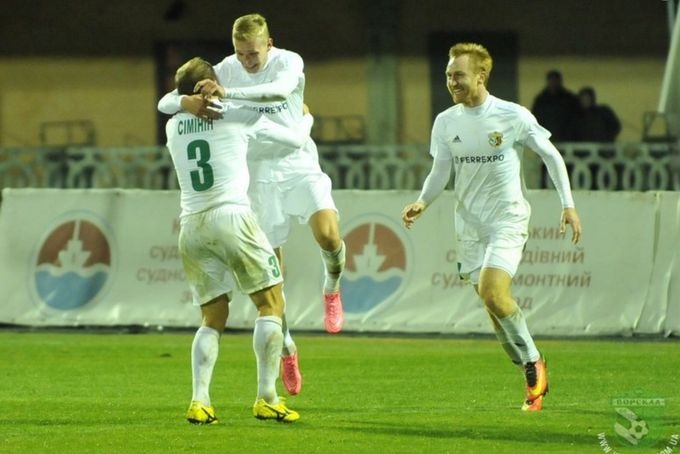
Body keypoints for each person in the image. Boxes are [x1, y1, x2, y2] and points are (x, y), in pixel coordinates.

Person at [159, 13, 347, 396]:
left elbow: (278, 92)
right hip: (258, 175)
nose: (246, 61)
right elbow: (167, 100)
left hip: (298, 165)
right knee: (272, 280)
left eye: (253, 54)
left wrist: (226, 95)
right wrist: (186, 101)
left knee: (329, 236)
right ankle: (287, 349)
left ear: (269, 44)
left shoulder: (288, 62)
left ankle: (332, 286)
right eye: (240, 54)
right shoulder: (226, 70)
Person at [402, 43, 582, 412]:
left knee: (493, 292)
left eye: (459, 75)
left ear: (481, 77)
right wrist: (423, 201)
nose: (452, 81)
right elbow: (440, 170)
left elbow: (551, 156)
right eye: (448, 75)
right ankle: (526, 368)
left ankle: (534, 362)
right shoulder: (445, 122)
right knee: (492, 307)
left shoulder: (511, 115)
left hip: (507, 219)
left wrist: (568, 204)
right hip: (469, 227)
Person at [165, 57, 313, 424]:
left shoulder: (173, 124)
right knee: (271, 303)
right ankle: (267, 397)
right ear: (210, 84)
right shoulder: (235, 115)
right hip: (232, 217)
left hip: (191, 225)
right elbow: (295, 140)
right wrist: (306, 117)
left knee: (212, 316)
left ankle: (200, 401)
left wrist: (183, 101)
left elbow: (168, 103)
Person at [531, 70, 580, 142]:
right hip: (546, 138)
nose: (553, 83)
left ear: (559, 81)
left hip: (565, 138)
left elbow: (574, 118)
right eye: (551, 80)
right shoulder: (541, 100)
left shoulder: (568, 98)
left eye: (555, 80)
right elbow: (536, 118)